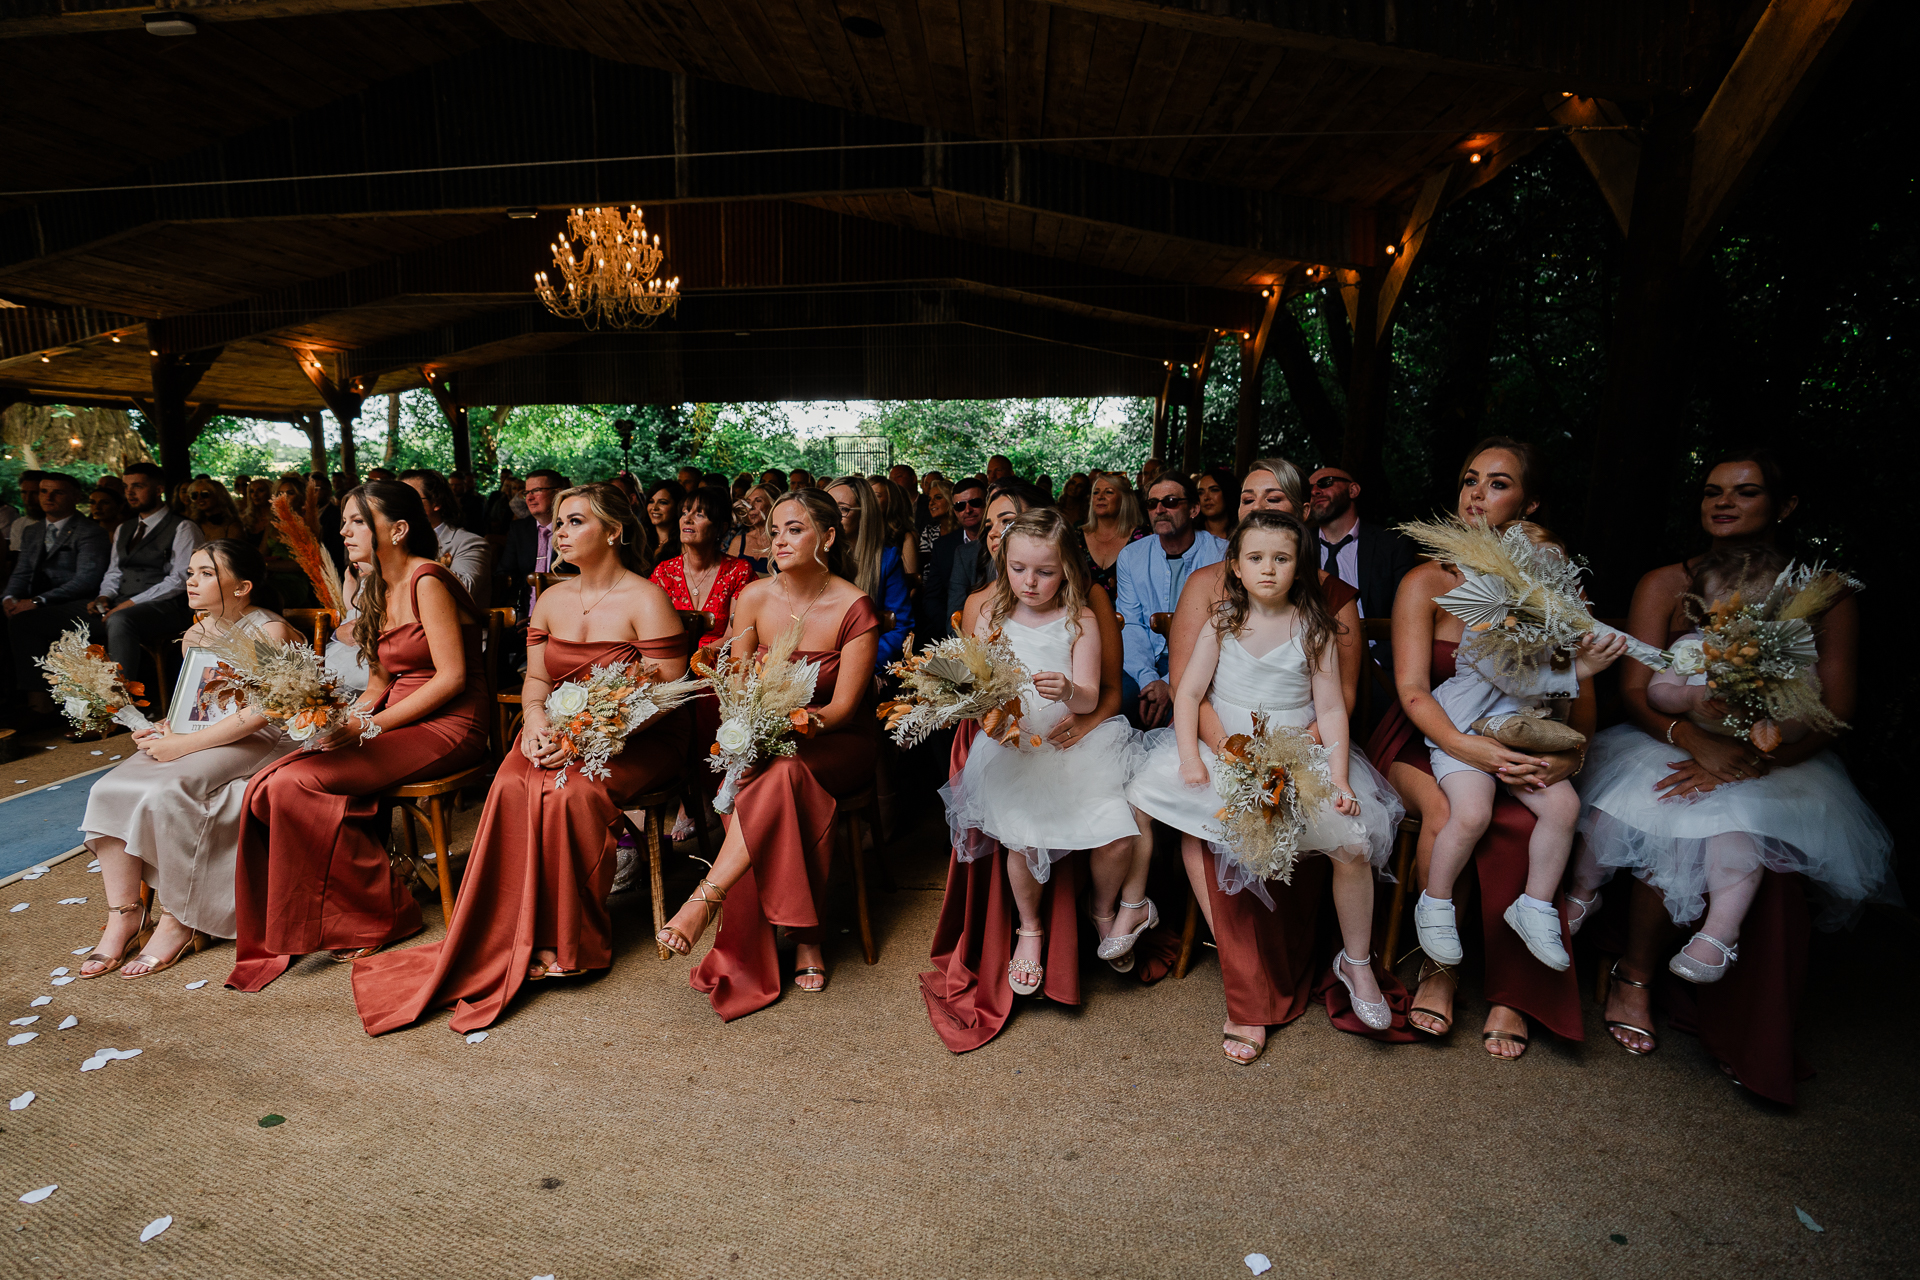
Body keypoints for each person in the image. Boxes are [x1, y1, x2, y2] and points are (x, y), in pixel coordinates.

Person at [1570, 451, 1895, 1102]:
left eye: (1744, 492)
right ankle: (1633, 973)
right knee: (1662, 809)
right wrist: (1694, 741)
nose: (1723, 502)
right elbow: (1637, 691)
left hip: (1781, 756)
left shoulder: (1827, 592)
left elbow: (1836, 710)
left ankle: (1731, 991)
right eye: (1713, 492)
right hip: (1670, 742)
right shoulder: (1666, 582)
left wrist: (1747, 761)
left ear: (1785, 505)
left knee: (1737, 833)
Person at [352, 484, 696, 1033]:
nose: (558, 531)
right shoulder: (553, 598)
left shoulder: (645, 598)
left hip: (639, 735)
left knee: (571, 792)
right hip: (554, 726)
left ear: (613, 532)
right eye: (557, 522)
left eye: (574, 521)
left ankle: (570, 940)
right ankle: (515, 935)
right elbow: (536, 679)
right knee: (512, 783)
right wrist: (534, 723)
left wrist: (590, 736)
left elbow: (671, 689)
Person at [1128, 512, 1405, 1053]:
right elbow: (1187, 694)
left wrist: (1341, 777)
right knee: (1151, 799)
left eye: (1281, 559)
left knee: (1350, 843)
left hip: (1293, 754)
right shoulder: (1223, 621)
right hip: (1226, 753)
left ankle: (1357, 961)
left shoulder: (1314, 627)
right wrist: (1191, 758)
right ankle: (1140, 911)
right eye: (1256, 558)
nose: (1269, 570)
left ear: (1299, 566)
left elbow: (1330, 709)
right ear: (1235, 565)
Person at [1369, 438, 1592, 1061]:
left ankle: (1514, 992)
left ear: (1528, 503)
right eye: (1471, 479)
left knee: (1531, 816)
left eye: (1498, 483)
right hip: (1426, 734)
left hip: (1513, 732)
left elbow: (1566, 694)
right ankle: (1438, 966)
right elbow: (1413, 690)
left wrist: (1560, 758)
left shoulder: (1548, 586)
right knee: (1452, 815)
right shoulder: (1426, 580)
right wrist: (1475, 752)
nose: (1476, 492)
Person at [226, 480, 490, 992]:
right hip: (397, 714)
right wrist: (331, 721)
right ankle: (369, 899)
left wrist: (367, 727)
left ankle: (383, 912)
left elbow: (452, 677)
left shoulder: (426, 579)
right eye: (343, 520)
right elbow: (378, 684)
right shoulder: (374, 587)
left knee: (293, 786)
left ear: (398, 529)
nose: (342, 530)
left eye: (355, 521)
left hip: (450, 723)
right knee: (270, 783)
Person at [655, 489, 881, 1016]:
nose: (779, 539)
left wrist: (789, 725)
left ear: (827, 537)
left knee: (783, 775)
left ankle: (704, 899)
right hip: (766, 744)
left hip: (835, 743)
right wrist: (753, 726)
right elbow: (735, 685)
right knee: (775, 776)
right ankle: (807, 937)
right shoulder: (754, 598)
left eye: (795, 529)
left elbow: (845, 709)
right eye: (774, 530)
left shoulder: (854, 606)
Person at [941, 508, 1145, 996]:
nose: (1029, 582)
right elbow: (974, 682)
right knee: (1023, 840)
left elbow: (1093, 697)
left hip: (1073, 742)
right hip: (1016, 746)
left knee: (1118, 834)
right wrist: (980, 708)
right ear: (1003, 563)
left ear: (1067, 570)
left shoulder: (1081, 619)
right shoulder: (990, 614)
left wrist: (1069, 689)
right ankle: (1029, 929)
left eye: (1045, 571)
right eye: (1018, 569)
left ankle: (1102, 910)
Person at [1410, 520, 1626, 979]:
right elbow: (1513, 678)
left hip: (1522, 733)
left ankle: (1535, 905)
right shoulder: (1489, 616)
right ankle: (1435, 903)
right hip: (1466, 730)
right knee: (1471, 813)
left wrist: (1581, 648)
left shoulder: (1555, 625)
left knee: (1564, 807)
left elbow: (1559, 686)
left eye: (1554, 575)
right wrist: (1584, 668)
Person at [76, 541, 299, 978]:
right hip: (207, 734)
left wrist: (182, 747)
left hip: (266, 735)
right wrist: (166, 727)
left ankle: (180, 918)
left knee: (168, 788)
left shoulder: (271, 631)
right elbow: (197, 702)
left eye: (205, 573)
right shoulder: (195, 634)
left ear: (243, 587)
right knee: (109, 787)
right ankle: (126, 913)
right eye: (191, 572)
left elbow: (269, 709)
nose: (191, 581)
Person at [86, 463, 205, 726]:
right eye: (126, 487)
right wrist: (104, 597)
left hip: (169, 606)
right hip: (121, 602)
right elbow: (115, 571)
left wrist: (127, 604)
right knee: (64, 617)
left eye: (137, 486)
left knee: (121, 620)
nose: (130, 493)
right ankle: (72, 703)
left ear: (159, 489)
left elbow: (180, 579)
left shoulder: (183, 527)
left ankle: (117, 711)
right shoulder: (124, 528)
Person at [1116, 473, 1226, 728]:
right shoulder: (1132, 556)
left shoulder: (1222, 554)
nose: (1160, 509)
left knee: (1187, 715)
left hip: (1204, 661)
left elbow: (1221, 628)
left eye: (1171, 501)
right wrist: (1148, 680)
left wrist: (1169, 682)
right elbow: (1130, 625)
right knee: (1118, 705)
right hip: (1143, 658)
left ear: (1194, 509)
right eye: (1152, 504)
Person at [4, 473, 110, 718]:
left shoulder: (89, 531)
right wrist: (9, 599)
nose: (48, 497)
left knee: (25, 623)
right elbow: (22, 572)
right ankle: (11, 701)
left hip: (80, 604)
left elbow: (86, 580)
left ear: (75, 497)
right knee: (10, 617)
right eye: (43, 491)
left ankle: (39, 704)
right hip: (37, 603)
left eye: (57, 492)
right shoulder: (33, 531)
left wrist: (37, 601)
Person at [1305, 465, 1418, 620]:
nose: (1314, 491)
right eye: (1308, 489)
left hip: (1374, 643)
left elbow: (1406, 615)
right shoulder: (1299, 545)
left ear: (1353, 490)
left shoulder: (1393, 545)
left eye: (1325, 482)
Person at [652, 485, 753, 647]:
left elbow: (734, 635)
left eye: (699, 514)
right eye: (684, 513)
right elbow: (652, 629)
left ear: (721, 528)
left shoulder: (739, 571)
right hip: (672, 661)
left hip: (719, 665)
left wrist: (700, 660)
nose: (687, 519)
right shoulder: (664, 572)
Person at [828, 476, 912, 665]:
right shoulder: (815, 558)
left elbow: (900, 627)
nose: (832, 518)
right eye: (826, 509)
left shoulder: (886, 560)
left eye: (842, 510)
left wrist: (860, 665)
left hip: (864, 662)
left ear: (864, 514)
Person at [400, 468, 492, 609]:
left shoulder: (470, 543)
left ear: (436, 502)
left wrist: (406, 557)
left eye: (410, 498)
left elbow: (465, 590)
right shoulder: (392, 542)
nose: (400, 506)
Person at [922, 476, 987, 645]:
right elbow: (932, 597)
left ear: (987, 503)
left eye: (975, 502)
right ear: (954, 510)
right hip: (951, 632)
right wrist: (951, 631)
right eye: (960, 506)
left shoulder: (1000, 542)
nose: (968, 510)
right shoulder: (943, 546)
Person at [501, 469, 568, 611]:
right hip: (525, 615)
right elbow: (505, 574)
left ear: (557, 493)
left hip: (565, 613)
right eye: (527, 492)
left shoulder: (572, 529)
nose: (529, 498)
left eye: (536, 491)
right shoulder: (519, 529)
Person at [1080, 471, 1145, 599]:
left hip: (1128, 615)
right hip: (1083, 613)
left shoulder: (1140, 536)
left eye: (1108, 492)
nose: (1100, 497)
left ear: (1124, 499)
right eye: (1096, 492)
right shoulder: (1076, 536)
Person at [869, 475, 921, 578]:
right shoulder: (856, 531)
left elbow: (913, 585)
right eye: (866, 496)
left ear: (890, 501)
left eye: (876, 496)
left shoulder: (904, 537)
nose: (869, 501)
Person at [726, 483, 777, 576]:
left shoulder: (783, 541)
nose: (751, 507)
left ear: (772, 505)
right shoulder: (739, 542)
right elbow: (727, 579)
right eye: (748, 502)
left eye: (758, 501)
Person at [645, 479, 685, 565]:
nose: (654, 508)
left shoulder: (684, 543)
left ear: (677, 507)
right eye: (651, 501)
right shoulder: (641, 539)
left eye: (663, 503)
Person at [1194, 465, 1236, 541]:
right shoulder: (1191, 536)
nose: (1206, 497)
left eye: (1214, 490)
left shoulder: (1241, 534)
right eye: (1200, 492)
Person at [917, 474, 955, 557]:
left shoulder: (966, 530)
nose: (931, 503)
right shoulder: (929, 532)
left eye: (938, 498)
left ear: (950, 500)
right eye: (929, 499)